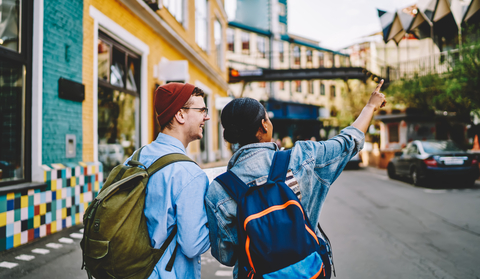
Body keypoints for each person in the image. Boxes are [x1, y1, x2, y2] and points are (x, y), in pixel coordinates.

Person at [205, 80, 387, 278]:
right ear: (264, 126)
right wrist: (370, 106)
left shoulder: (219, 189)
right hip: (308, 271)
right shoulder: (303, 157)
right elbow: (347, 142)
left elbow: (227, 256)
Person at [124, 82, 211, 279]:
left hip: (131, 271)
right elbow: (193, 245)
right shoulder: (189, 174)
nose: (206, 116)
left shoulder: (136, 157)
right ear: (180, 115)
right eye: (201, 110)